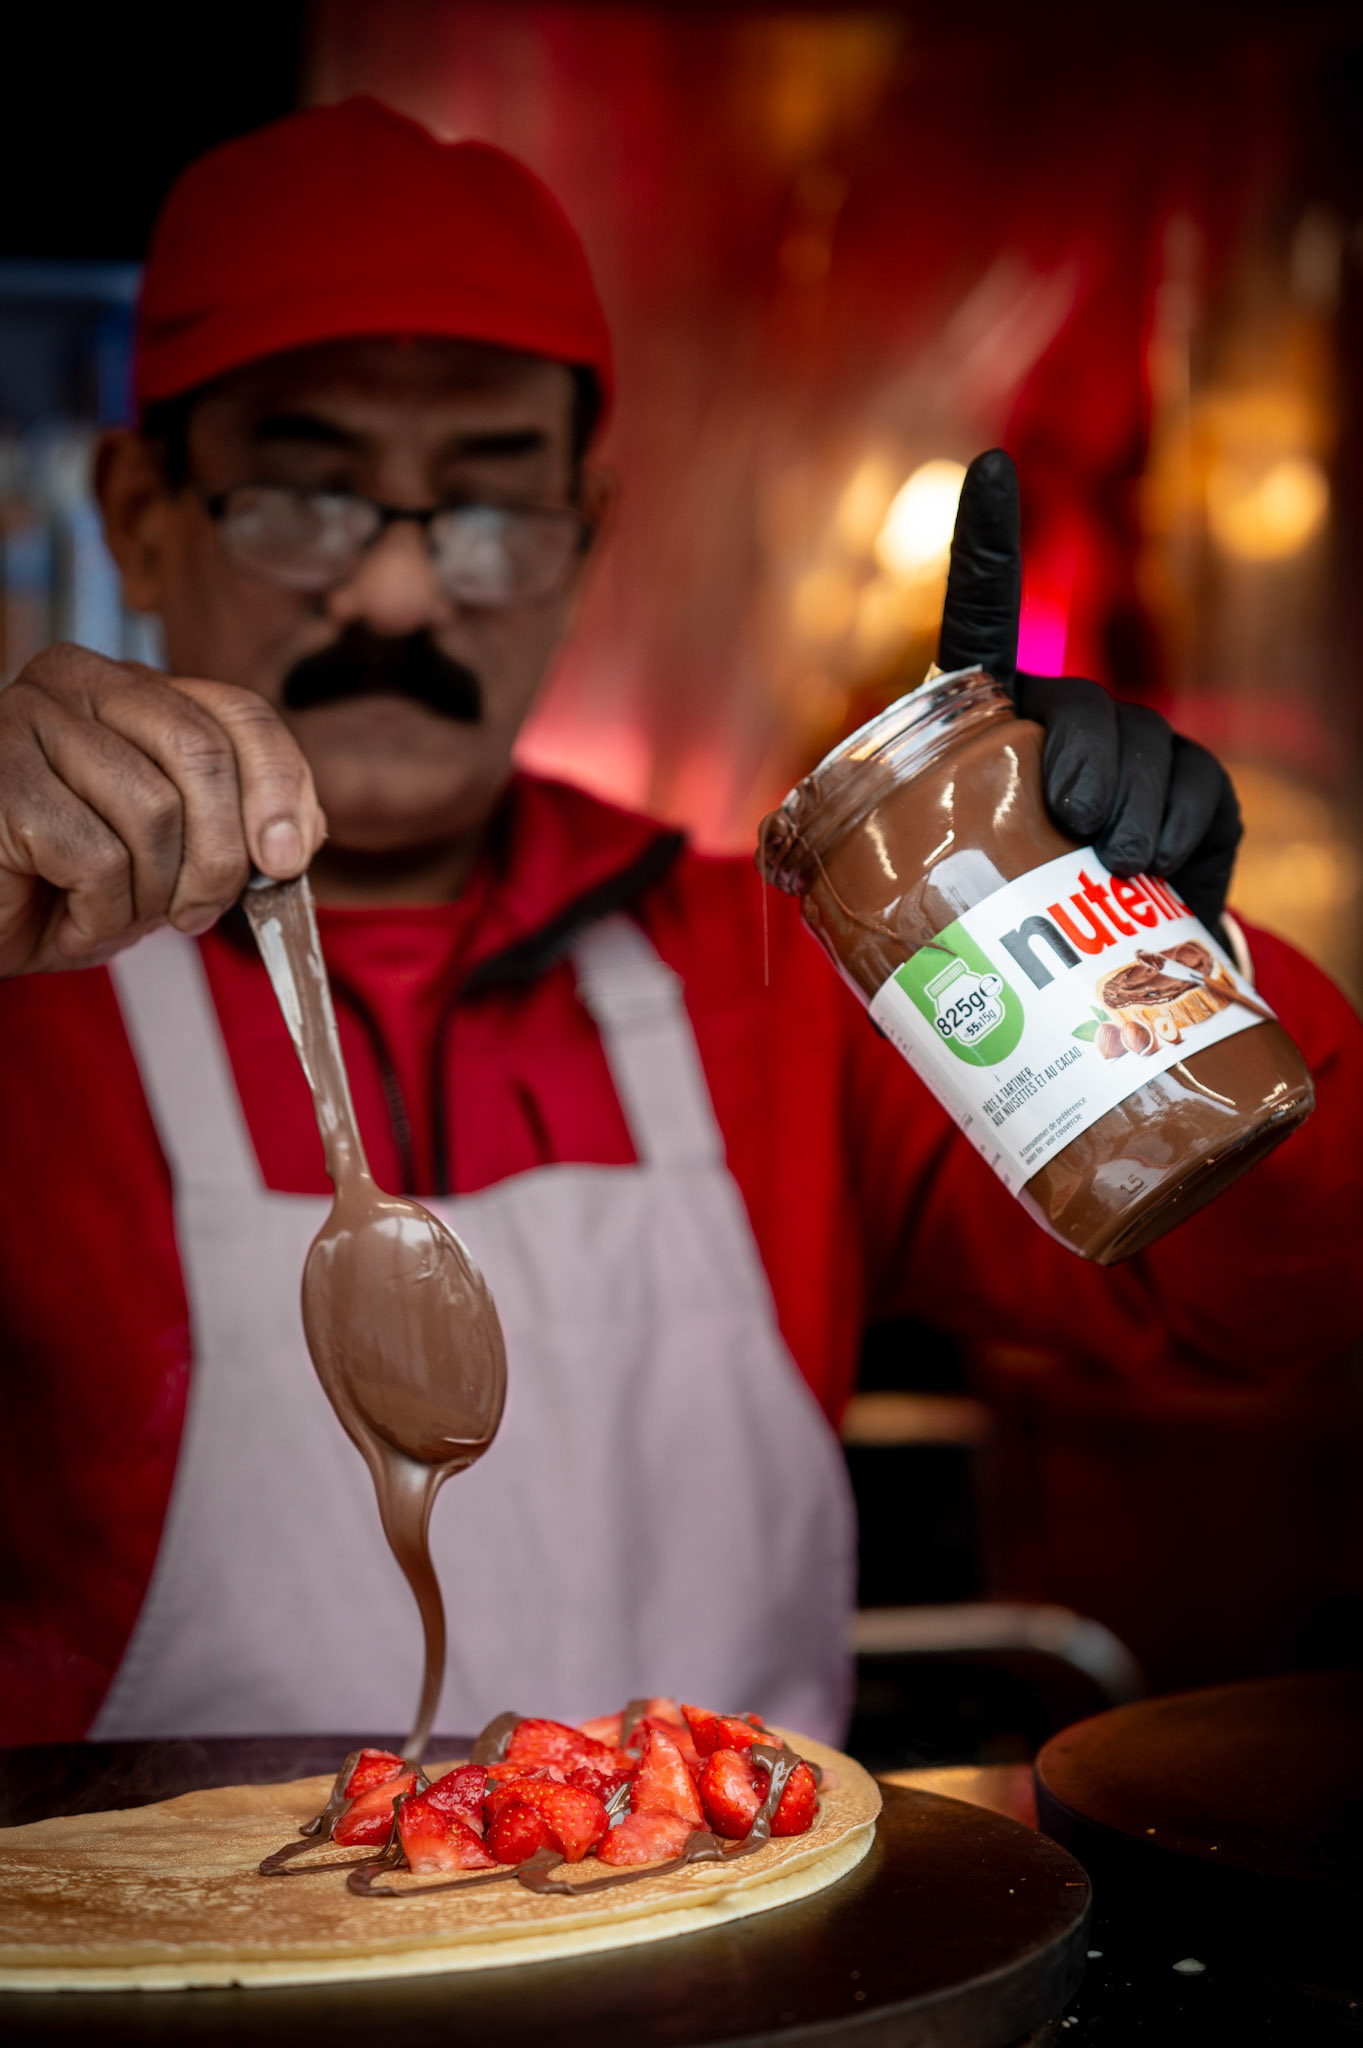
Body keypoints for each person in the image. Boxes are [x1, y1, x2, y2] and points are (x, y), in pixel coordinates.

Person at [1, 99, 1359, 1748]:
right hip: (166, 1985)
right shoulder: (28, 981)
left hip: (755, 1974)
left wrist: (1149, 968)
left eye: (492, 513)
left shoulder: (789, 971)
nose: (401, 599)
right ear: (142, 509)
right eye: (305, 498)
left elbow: (1271, 1318)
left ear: (588, 538)